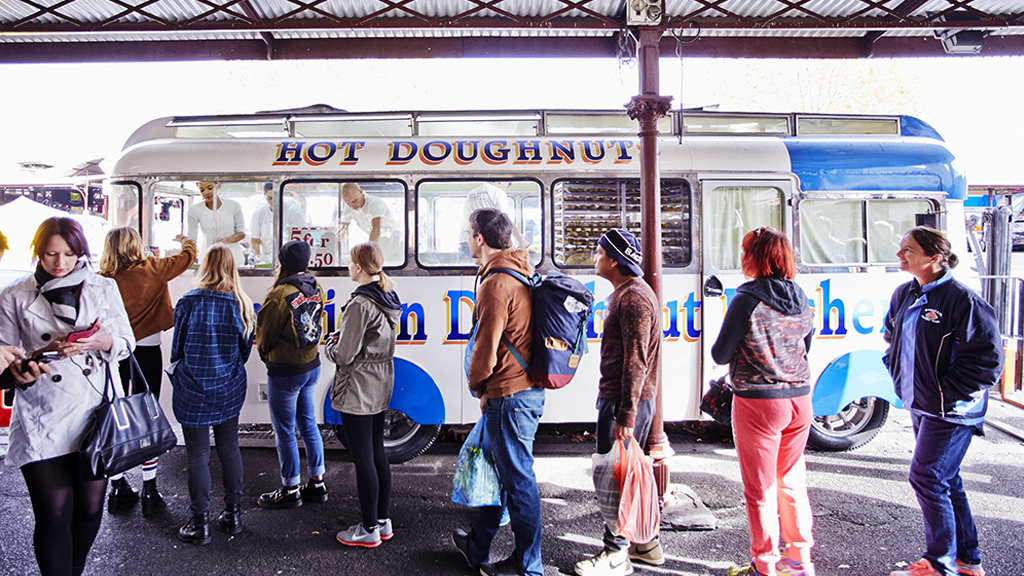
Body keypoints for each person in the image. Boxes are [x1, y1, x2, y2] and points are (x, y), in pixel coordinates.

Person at [0, 217, 134, 576]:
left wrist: (105, 342)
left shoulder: (102, 287)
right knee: (53, 511)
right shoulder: (14, 295)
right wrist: (21, 368)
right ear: (38, 254)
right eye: (51, 254)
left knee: (90, 509)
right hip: (42, 413)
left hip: (94, 415)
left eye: (69, 254)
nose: (60, 263)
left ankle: (75, 568)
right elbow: (5, 354)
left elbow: (126, 341)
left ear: (81, 253)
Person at [884, 227, 1003, 576]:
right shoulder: (904, 293)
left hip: (951, 411)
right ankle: (967, 560)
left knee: (927, 476)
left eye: (908, 249)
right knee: (946, 480)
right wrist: (898, 374)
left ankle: (940, 563)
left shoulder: (964, 302)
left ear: (934, 258)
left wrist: (947, 392)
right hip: (921, 403)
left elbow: (988, 360)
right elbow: (893, 335)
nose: (900, 255)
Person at [711, 227, 817, 576]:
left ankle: (765, 565)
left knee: (760, 490)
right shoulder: (801, 296)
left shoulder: (747, 298)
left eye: (745, 251)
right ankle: (799, 561)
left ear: (754, 257)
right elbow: (804, 347)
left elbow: (721, 352)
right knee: (790, 481)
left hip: (759, 403)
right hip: (800, 399)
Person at [451, 207, 543, 576]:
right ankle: (476, 547)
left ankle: (527, 565)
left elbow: (485, 350)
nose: (467, 239)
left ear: (480, 238)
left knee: (519, 480)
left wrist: (477, 386)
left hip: (508, 397)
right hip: (519, 393)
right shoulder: (518, 271)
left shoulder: (495, 283)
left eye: (469, 232)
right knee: (501, 471)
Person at [574, 228, 663, 576]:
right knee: (626, 473)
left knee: (615, 478)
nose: (595, 258)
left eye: (599, 253)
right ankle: (647, 545)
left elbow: (635, 360)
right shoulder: (628, 293)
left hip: (625, 402)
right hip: (628, 400)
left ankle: (616, 555)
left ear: (613, 260)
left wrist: (625, 413)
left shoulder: (633, 298)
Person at [98, 227, 198, 516]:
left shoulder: (102, 280)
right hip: (146, 349)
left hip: (111, 352)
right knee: (147, 414)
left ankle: (117, 486)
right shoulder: (153, 269)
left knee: (112, 415)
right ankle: (150, 489)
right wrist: (184, 241)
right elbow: (189, 256)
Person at [169, 244, 255, 545]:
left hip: (192, 388)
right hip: (229, 387)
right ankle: (233, 516)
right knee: (230, 449)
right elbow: (244, 352)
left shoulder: (189, 301)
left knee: (197, 455)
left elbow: (177, 347)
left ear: (204, 266)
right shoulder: (241, 303)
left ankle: (200, 523)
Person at [326, 240, 402, 548]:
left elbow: (344, 355)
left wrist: (331, 345)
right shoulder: (387, 296)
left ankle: (368, 528)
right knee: (377, 453)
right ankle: (383, 521)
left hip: (358, 386)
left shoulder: (359, 303)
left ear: (358, 267)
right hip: (380, 381)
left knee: (363, 459)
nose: (348, 267)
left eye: (350, 262)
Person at [255, 240, 328, 510]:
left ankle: (290, 488)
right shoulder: (315, 287)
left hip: (286, 371)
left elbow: (264, 336)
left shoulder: (279, 294)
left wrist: (266, 356)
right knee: (308, 424)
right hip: (311, 366)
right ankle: (317, 483)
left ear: (283, 262)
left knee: (285, 429)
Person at [457, 182, 528, 262]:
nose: (505, 190)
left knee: (466, 271)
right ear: (501, 183)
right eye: (506, 187)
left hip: (465, 239)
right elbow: (507, 221)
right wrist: (520, 241)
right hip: (483, 243)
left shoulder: (472, 193)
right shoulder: (498, 193)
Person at [336, 183, 403, 263]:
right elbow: (342, 230)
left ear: (361, 191)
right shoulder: (350, 206)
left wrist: (366, 255)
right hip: (379, 241)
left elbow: (376, 230)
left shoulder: (375, 203)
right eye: (348, 203)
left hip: (393, 239)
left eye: (354, 201)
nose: (352, 206)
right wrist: (335, 248)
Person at [186, 181, 247, 266]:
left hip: (232, 258)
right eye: (202, 190)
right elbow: (191, 236)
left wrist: (226, 240)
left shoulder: (233, 205)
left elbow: (241, 233)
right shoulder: (194, 210)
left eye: (210, 188)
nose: (206, 192)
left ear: (219, 186)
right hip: (208, 258)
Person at [250, 183, 308, 264]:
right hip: (267, 259)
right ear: (265, 197)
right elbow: (255, 240)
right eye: (269, 198)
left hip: (291, 258)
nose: (273, 201)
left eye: (276, 197)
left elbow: (302, 238)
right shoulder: (258, 213)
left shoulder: (294, 212)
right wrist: (257, 259)